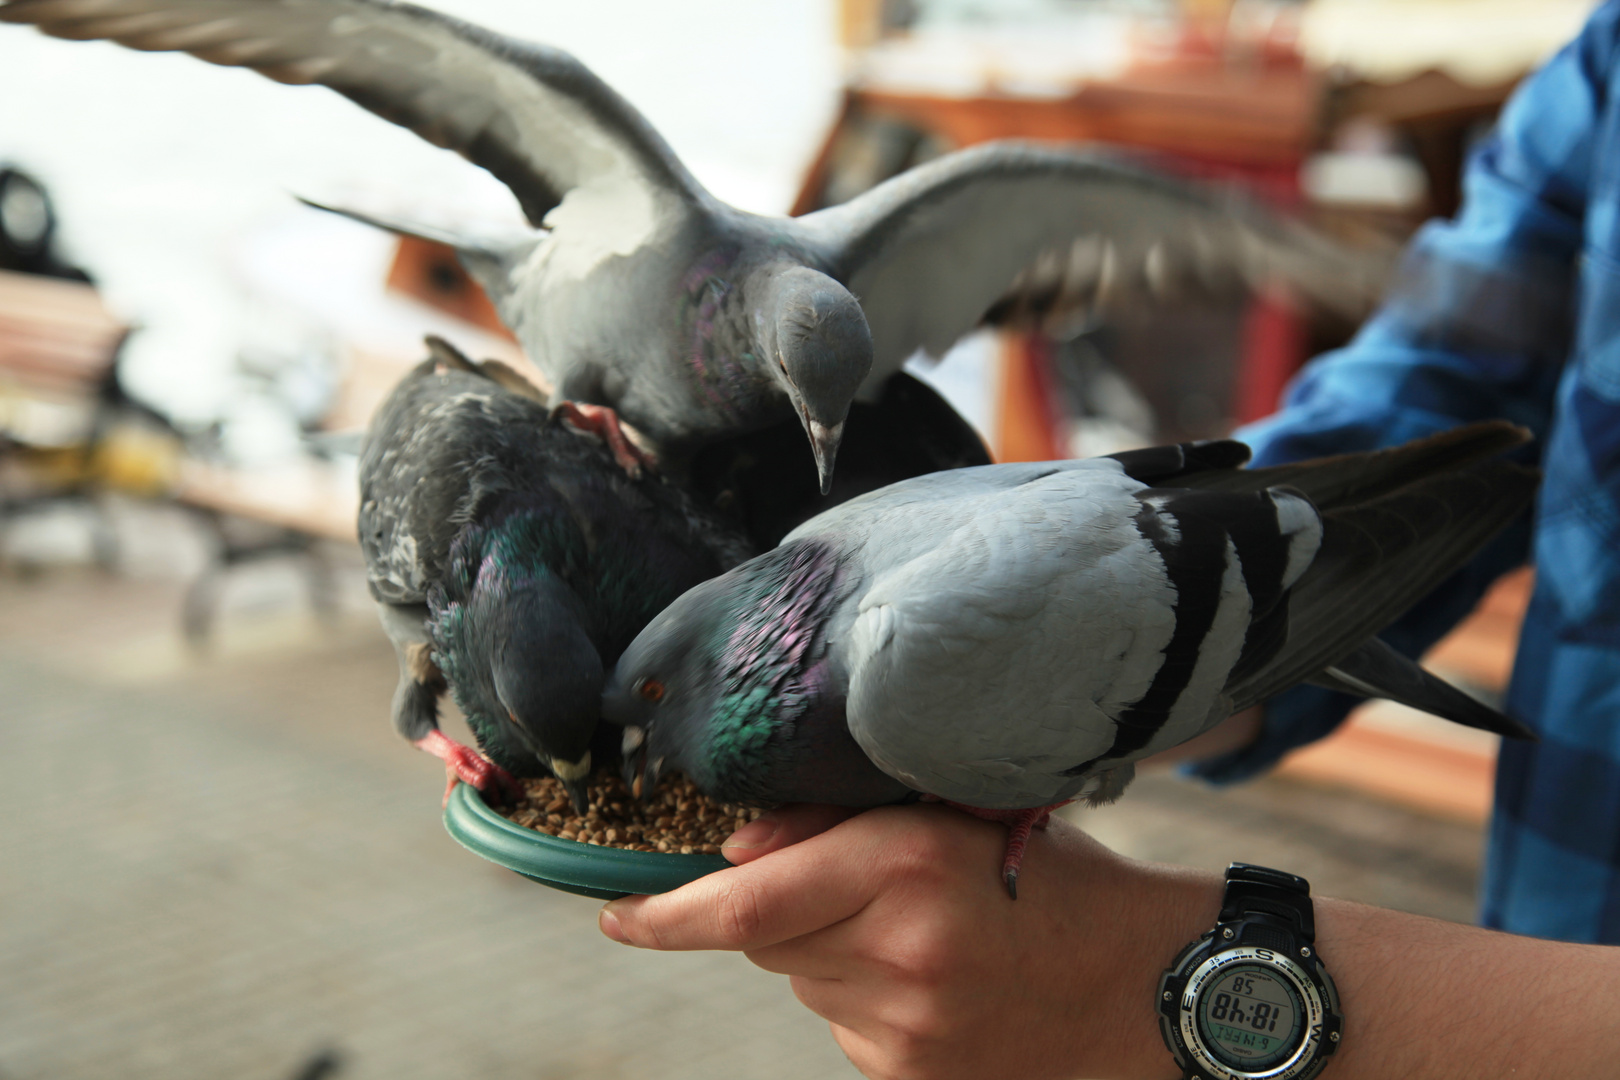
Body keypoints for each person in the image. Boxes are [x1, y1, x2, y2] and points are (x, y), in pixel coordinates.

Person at [598, 4, 1620, 1077]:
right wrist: (1016, 675)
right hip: (1530, 890)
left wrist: (1153, 978)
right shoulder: (1602, 68)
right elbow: (1451, 380)